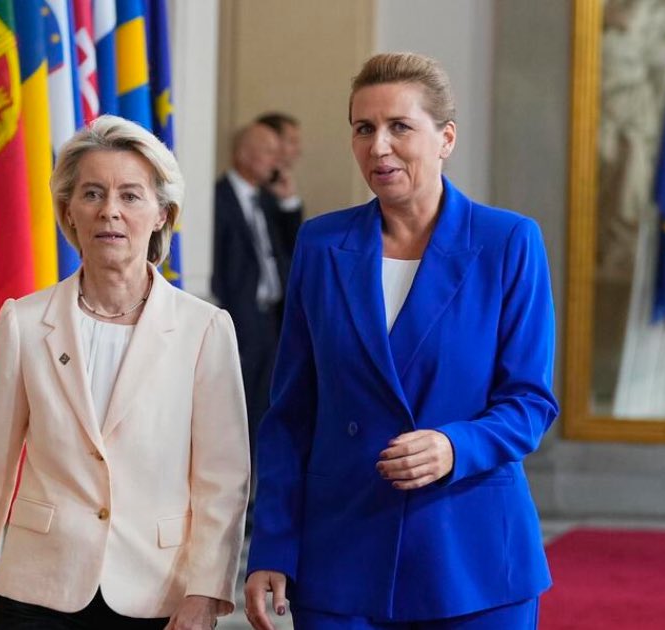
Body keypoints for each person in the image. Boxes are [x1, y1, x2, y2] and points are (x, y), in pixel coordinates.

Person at [245, 52, 558, 629]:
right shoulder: (320, 245)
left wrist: (455, 446)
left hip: (470, 558)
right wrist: (272, 544)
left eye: (400, 127)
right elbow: (290, 415)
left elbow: (530, 402)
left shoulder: (508, 242)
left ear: (446, 138)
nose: (379, 147)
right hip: (341, 554)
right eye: (364, 129)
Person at [0, 115, 250, 630]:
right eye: (92, 194)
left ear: (161, 214)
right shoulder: (25, 322)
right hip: (39, 589)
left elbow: (224, 479)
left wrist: (207, 591)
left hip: (156, 591)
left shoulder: (205, 329)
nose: (110, 212)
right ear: (69, 211)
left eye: (130, 196)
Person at [212, 122, 293, 454]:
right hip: (236, 318)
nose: (277, 161)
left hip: (269, 320)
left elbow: (291, 249)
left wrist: (288, 202)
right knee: (233, 410)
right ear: (244, 154)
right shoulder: (217, 198)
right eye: (269, 152)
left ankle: (255, 479)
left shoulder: (268, 201)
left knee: (262, 409)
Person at [256, 111, 305, 256]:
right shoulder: (251, 191)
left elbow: (296, 250)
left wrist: (288, 200)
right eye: (292, 142)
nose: (298, 150)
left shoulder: (280, 189)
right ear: (272, 141)